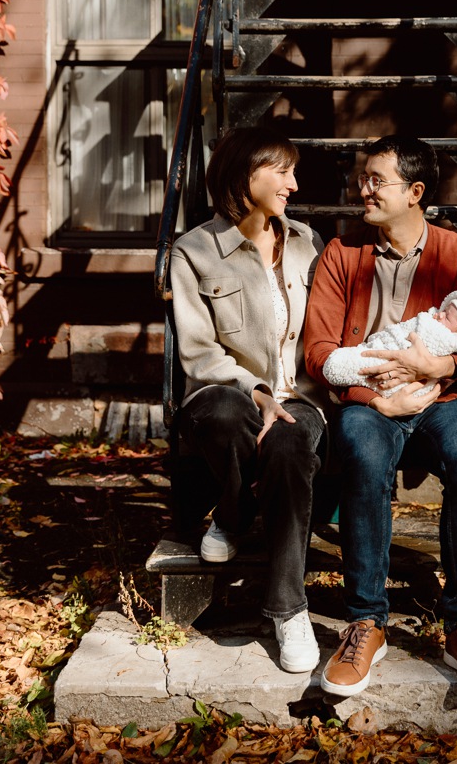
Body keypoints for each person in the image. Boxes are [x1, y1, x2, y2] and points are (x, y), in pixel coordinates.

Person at [304, 135, 457, 697]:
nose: (363, 189)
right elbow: (319, 352)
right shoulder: (342, 253)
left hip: (442, 399)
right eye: (362, 178)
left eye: (377, 180)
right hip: (371, 400)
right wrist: (376, 400)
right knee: (363, 455)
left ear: (415, 192)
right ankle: (366, 621)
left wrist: (442, 365)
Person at [169, 126, 329, 675]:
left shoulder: (308, 242)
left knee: (288, 441)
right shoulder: (194, 251)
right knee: (221, 412)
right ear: (245, 175)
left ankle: (287, 607)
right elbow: (198, 353)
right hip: (225, 393)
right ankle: (236, 514)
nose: (294, 184)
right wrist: (257, 392)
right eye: (282, 171)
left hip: (298, 394)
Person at [323, 289, 457, 397]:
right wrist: (374, 402)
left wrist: (439, 367)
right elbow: (318, 349)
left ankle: (345, 367)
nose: (438, 315)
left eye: (447, 317)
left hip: (439, 399)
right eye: (443, 310)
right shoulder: (343, 251)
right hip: (371, 397)